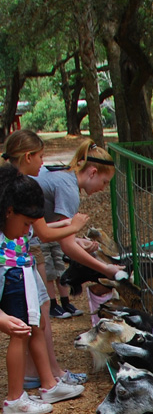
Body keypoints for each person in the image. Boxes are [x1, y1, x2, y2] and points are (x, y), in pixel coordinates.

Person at [3, 130, 89, 386]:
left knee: (35, 320)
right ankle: (33, 386)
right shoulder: (24, 188)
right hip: (16, 263)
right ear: (28, 156)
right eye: (40, 156)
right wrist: (74, 227)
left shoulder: (11, 183)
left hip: (19, 260)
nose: (43, 162)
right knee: (28, 325)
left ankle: (49, 378)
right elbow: (42, 232)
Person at [35, 138, 128, 317]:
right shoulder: (69, 189)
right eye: (105, 182)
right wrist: (105, 268)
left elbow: (61, 234)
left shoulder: (64, 176)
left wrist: (76, 240)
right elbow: (66, 246)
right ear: (93, 172)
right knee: (41, 307)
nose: (103, 188)